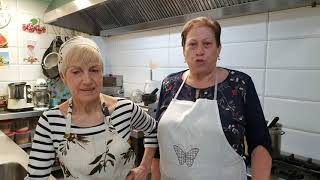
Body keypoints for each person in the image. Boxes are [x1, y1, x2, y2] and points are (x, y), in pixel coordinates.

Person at [151, 17, 272, 180]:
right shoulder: (169, 84)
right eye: (192, 44)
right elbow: (159, 146)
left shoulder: (240, 84)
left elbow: (260, 144)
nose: (199, 51)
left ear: (218, 49)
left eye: (207, 44)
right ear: (183, 50)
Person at [26, 36, 157, 180]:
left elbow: (154, 130)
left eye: (94, 70)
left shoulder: (125, 109)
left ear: (102, 73)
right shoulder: (51, 121)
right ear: (64, 77)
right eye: (76, 72)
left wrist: (145, 166)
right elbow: (36, 177)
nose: (87, 80)